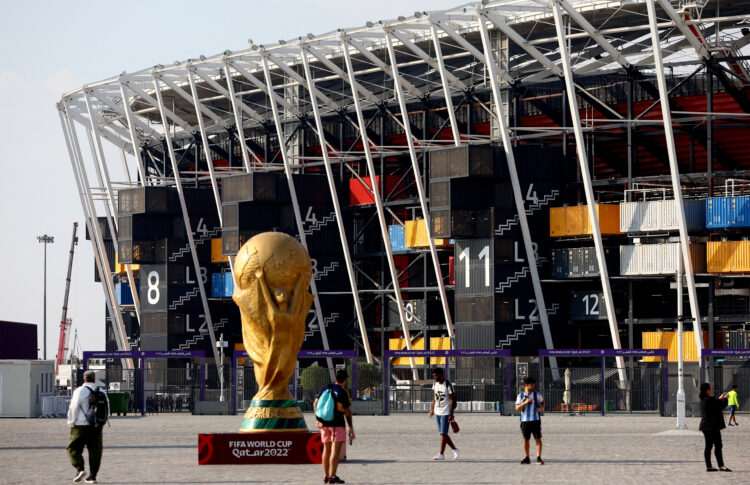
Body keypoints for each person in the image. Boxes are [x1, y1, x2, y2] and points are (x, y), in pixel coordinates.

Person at [313, 369, 354, 484]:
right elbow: (347, 411)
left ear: (335, 379)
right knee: (335, 450)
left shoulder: (326, 388)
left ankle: (326, 476)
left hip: (324, 423)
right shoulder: (343, 392)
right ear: (345, 380)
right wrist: (351, 427)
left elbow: (315, 403)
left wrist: (318, 418)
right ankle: (333, 476)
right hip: (337, 424)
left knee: (326, 449)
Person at [66, 370, 108, 483]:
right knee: (95, 451)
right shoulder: (102, 391)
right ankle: (92, 476)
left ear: (84, 379)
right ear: (94, 379)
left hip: (80, 425)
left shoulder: (80, 390)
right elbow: (107, 407)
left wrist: (71, 422)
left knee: (73, 448)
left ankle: (80, 468)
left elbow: (74, 407)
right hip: (97, 426)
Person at [699, 382, 731, 472]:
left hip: (706, 426)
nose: (711, 389)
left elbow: (715, 404)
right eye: (710, 388)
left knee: (709, 446)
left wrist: (720, 398)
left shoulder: (705, 399)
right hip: (712, 426)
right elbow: (720, 406)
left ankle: (709, 466)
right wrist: (725, 398)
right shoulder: (709, 399)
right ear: (707, 390)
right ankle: (721, 465)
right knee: (718, 445)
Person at [428, 368, 459, 461]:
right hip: (437, 412)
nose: (435, 377)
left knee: (443, 433)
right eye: (434, 376)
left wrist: (451, 413)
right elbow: (434, 397)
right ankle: (441, 454)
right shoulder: (435, 384)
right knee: (442, 434)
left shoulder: (447, 384)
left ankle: (454, 449)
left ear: (441, 375)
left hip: (446, 412)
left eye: (436, 375)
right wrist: (432, 409)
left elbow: (452, 399)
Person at [515, 376, 545, 465]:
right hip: (525, 421)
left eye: (534, 385)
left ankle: (539, 457)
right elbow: (517, 408)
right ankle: (527, 457)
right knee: (526, 439)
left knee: (538, 438)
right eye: (531, 385)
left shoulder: (537, 394)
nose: (533, 387)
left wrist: (541, 408)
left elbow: (543, 402)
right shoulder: (520, 395)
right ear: (526, 385)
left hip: (535, 420)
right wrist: (525, 402)